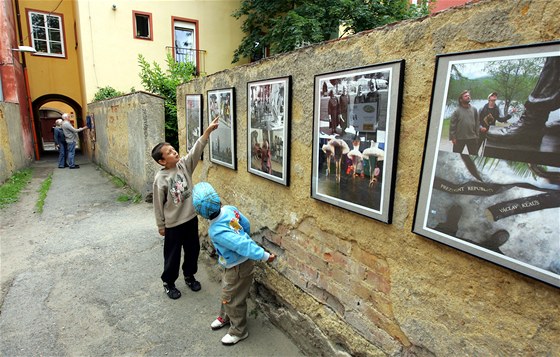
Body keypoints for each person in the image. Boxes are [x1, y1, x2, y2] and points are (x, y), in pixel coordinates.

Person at [191, 182, 276, 346]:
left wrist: (264, 256)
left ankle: (239, 331)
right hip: (232, 265)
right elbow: (245, 224)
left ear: (201, 213)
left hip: (237, 267)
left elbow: (242, 245)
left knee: (233, 299)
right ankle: (225, 316)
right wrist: (244, 235)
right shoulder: (229, 209)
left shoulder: (216, 231)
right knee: (228, 292)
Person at [151, 117, 219, 300]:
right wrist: (161, 225)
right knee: (172, 256)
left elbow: (196, 150)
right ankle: (169, 282)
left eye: (173, 149)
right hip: (173, 224)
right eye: (170, 152)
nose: (175, 152)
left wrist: (207, 133)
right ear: (162, 161)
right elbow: (158, 204)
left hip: (190, 219)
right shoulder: (161, 179)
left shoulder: (184, 166)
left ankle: (189, 275)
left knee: (192, 250)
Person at [488, 56, 560, 146]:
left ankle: (533, 122)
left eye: (495, 95)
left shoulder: (495, 108)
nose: (495, 97)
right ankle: (533, 122)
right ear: (489, 98)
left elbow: (500, 119)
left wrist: (510, 115)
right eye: (492, 96)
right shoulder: (484, 108)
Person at [449, 90, 479, 155]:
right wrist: (453, 137)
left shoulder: (474, 109)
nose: (468, 97)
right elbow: (452, 125)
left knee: (474, 156)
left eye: (469, 96)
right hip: (460, 138)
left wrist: (477, 135)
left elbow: (477, 123)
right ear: (461, 99)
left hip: (472, 137)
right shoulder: (457, 111)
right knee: (455, 156)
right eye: (465, 96)